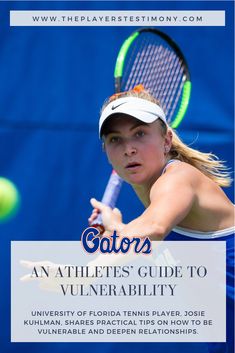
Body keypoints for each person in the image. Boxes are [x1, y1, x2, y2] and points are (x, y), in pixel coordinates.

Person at [89, 85, 234, 353]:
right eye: (115, 139)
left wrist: (81, 274)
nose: (128, 149)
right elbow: (153, 241)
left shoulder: (179, 178)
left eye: (140, 134)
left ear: (166, 140)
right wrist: (118, 229)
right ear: (106, 151)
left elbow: (154, 228)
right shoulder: (157, 199)